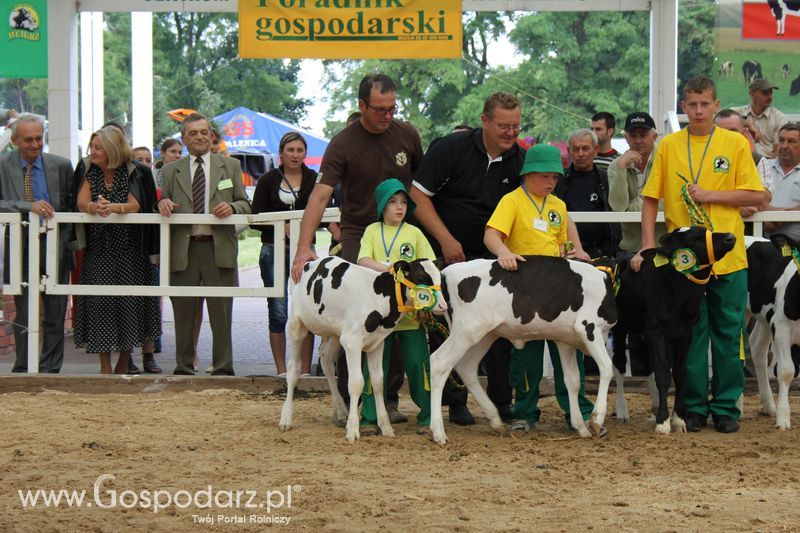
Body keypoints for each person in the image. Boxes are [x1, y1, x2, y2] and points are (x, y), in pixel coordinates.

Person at [633, 75, 766, 433]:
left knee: (728, 331)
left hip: (727, 258)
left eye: (704, 104)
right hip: (683, 264)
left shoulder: (735, 144)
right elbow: (650, 199)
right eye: (691, 104)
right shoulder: (669, 145)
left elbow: (757, 196)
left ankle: (726, 408)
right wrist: (648, 242)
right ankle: (691, 406)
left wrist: (710, 195)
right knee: (687, 333)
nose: (698, 110)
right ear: (683, 105)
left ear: (716, 103)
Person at [290, 74, 423, 424]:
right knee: (353, 323)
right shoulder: (343, 143)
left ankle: (387, 400)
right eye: (380, 109)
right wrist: (304, 247)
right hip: (357, 236)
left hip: (399, 233)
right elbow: (320, 195)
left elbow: (421, 190)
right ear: (362, 105)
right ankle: (353, 404)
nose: (387, 116)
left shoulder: (407, 134)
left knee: (393, 316)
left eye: (392, 108)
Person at [410, 92, 527, 424]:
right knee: (449, 326)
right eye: (504, 126)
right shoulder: (450, 149)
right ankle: (455, 402)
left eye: (516, 126)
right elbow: (417, 195)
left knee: (501, 325)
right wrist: (446, 239)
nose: (511, 133)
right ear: (484, 120)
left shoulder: (520, 160)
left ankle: (503, 400)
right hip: (450, 254)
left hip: (495, 257)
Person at [483, 143, 597, 433]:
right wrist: (503, 253)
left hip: (559, 290)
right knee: (526, 354)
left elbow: (565, 243)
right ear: (528, 174)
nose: (551, 182)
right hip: (524, 290)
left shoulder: (558, 205)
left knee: (570, 350)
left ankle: (578, 412)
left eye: (555, 177)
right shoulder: (512, 201)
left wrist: (576, 252)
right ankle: (524, 412)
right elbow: (491, 234)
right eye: (545, 176)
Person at [158, 112, 251, 376]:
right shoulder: (170, 170)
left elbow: (245, 203)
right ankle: (184, 367)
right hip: (183, 249)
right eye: (193, 133)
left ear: (211, 136)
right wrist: (162, 203)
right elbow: (163, 201)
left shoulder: (229, 166)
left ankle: (223, 367)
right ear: (184, 138)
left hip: (218, 247)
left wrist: (232, 206)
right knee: (183, 313)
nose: (199, 137)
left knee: (221, 312)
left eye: (204, 132)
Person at [73, 127, 161, 374]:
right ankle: (104, 367)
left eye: (98, 147)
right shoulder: (88, 169)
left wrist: (113, 207)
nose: (93, 152)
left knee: (129, 304)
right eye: (92, 147)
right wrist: (94, 207)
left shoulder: (135, 171)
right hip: (99, 250)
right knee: (101, 304)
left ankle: (124, 361)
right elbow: (80, 200)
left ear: (112, 148)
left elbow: (137, 204)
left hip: (131, 251)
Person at [357, 179, 435, 435]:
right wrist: (392, 270)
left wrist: (425, 305)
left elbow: (428, 268)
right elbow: (363, 260)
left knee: (417, 364)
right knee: (375, 365)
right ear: (381, 206)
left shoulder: (414, 233)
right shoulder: (371, 231)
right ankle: (369, 419)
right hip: (379, 314)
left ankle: (428, 417)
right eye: (392, 202)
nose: (399, 208)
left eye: (403, 202)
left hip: (410, 312)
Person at [0, 114, 74, 373]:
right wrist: (26, 206)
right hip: (18, 246)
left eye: (39, 138)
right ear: (15, 140)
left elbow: (70, 206)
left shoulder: (62, 166)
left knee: (55, 312)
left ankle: (51, 370)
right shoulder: (2, 165)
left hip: (55, 247)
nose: (34, 144)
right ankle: (24, 367)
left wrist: (69, 244)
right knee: (24, 312)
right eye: (28, 140)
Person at [251, 132, 316, 377]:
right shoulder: (268, 180)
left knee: (306, 310)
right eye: (290, 150)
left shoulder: (314, 179)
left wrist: (302, 230)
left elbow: (322, 213)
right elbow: (256, 217)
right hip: (273, 250)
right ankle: (281, 370)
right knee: (278, 310)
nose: (295, 155)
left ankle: (305, 369)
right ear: (281, 153)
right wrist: (281, 226)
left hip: (305, 251)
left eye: (300, 150)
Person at [606, 112, 665, 378]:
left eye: (644, 134)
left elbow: (666, 204)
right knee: (629, 311)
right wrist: (620, 168)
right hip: (630, 247)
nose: (638, 140)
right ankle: (638, 370)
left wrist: (638, 205)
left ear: (654, 135)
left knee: (661, 312)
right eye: (633, 135)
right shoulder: (616, 165)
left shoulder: (665, 159)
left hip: (662, 247)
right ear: (626, 136)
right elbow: (618, 206)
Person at [555, 128, 619, 260]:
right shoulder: (558, 180)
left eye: (585, 148)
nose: (580, 154)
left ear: (596, 150)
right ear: (568, 151)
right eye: (575, 149)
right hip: (567, 252)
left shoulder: (606, 179)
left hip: (600, 252)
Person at [761, 123, 800, 237]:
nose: (784, 146)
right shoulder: (763, 166)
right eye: (781, 140)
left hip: (795, 240)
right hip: (759, 234)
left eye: (791, 141)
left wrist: (769, 211)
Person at [734, 79, 787, 159]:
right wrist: (748, 124)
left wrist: (768, 167)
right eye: (765, 93)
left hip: (767, 161)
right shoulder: (736, 112)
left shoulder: (779, 117)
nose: (770, 97)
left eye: (771, 93)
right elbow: (718, 120)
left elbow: (778, 149)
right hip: (741, 159)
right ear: (752, 94)